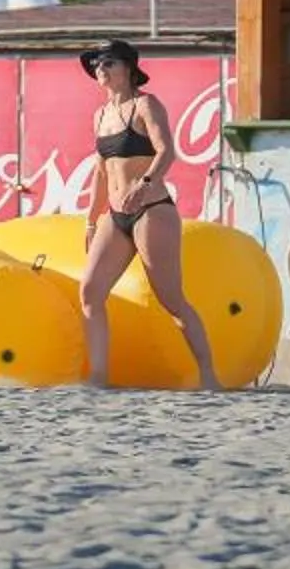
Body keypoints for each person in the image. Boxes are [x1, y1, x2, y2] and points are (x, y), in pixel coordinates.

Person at [77, 38, 216, 390]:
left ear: (128, 68)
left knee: (171, 299)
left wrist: (147, 182)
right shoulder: (100, 114)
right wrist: (91, 220)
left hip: (152, 209)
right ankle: (97, 377)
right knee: (90, 293)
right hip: (115, 213)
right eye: (96, 65)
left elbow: (167, 150)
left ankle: (208, 375)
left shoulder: (145, 105)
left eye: (108, 63)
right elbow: (101, 171)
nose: (100, 70)